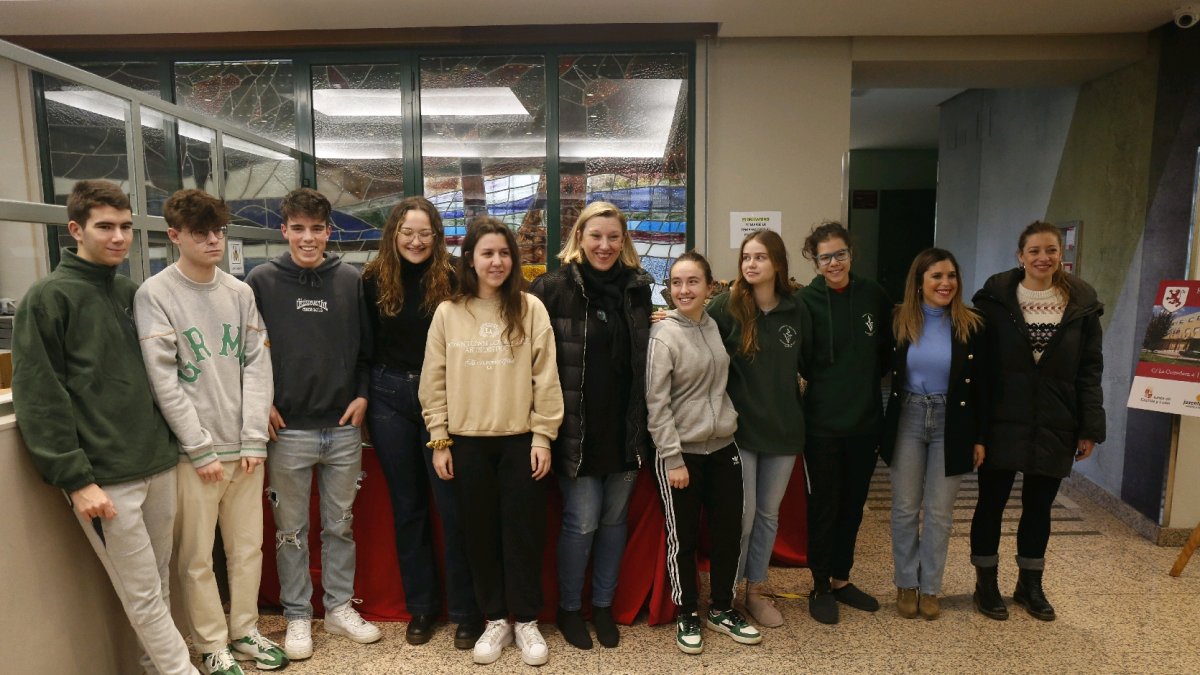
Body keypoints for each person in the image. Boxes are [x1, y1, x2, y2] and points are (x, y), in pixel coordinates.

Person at [12, 180, 199, 675]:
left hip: (156, 462)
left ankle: (156, 667)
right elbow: (40, 396)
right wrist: (76, 479)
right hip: (105, 478)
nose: (118, 237)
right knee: (141, 593)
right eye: (105, 227)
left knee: (158, 585)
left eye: (125, 227)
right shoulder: (48, 298)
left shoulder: (130, 291)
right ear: (75, 229)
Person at [134, 189, 286, 674]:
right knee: (197, 556)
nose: (213, 240)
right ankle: (211, 643)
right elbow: (164, 380)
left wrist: (253, 439)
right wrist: (198, 448)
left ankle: (244, 631)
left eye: (219, 230)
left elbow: (258, 367)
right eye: (201, 233)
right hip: (193, 455)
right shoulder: (155, 294)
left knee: (248, 548)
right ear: (175, 235)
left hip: (244, 450)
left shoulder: (239, 292)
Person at [419, 217, 564, 667]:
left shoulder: (530, 309)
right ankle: (495, 619)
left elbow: (547, 378)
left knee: (523, 534)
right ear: (471, 259)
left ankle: (525, 620)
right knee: (478, 534)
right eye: (487, 253)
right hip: (467, 442)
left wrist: (543, 435)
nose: (496, 261)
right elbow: (433, 379)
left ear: (513, 259)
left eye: (504, 253)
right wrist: (439, 437)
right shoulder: (449, 312)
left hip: (521, 441)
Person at [245, 188, 381, 659]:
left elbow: (367, 350)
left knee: (340, 525)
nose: (308, 238)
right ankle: (298, 614)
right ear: (284, 231)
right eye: (298, 228)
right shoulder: (260, 281)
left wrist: (363, 395)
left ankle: (340, 607)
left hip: (342, 427)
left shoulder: (349, 280)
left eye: (316, 229)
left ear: (329, 231)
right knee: (290, 531)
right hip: (288, 431)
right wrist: (261, 402)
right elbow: (248, 354)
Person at [528, 201, 653, 650]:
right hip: (575, 431)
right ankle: (567, 609)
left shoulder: (638, 289)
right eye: (596, 236)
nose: (605, 245)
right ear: (579, 236)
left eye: (613, 237)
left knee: (614, 521)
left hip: (626, 428)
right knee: (581, 523)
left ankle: (602, 606)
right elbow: (533, 361)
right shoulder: (552, 288)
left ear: (624, 242)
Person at [362, 196, 483, 649]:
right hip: (389, 397)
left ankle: (467, 611)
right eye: (407, 232)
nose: (416, 241)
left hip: (445, 398)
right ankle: (422, 608)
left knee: (452, 510)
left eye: (424, 233)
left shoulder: (454, 277)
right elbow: (366, 346)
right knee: (408, 509)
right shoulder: (373, 279)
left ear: (438, 236)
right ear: (394, 234)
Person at [969, 221, 1104, 622]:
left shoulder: (1082, 303)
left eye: (1050, 250)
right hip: (1001, 418)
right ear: (1020, 256)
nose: (1043, 258)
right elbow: (980, 370)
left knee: (1039, 507)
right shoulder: (995, 300)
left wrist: (1090, 427)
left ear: (1061, 254)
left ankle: (1029, 584)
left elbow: (1089, 370)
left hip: (1056, 419)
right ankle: (986, 582)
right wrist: (976, 429)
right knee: (990, 502)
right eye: (1034, 251)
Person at [647, 251, 763, 655]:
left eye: (692, 281)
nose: (683, 290)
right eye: (676, 283)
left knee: (731, 529)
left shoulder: (715, 326)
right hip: (683, 454)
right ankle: (687, 612)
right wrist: (674, 458)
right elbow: (656, 404)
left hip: (723, 446)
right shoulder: (663, 335)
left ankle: (722, 608)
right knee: (685, 536)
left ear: (710, 287)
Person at [706, 230, 811, 628]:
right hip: (740, 431)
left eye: (760, 257)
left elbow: (812, 363)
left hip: (784, 431)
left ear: (778, 265)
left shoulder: (797, 310)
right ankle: (728, 593)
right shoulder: (725, 306)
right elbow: (691, 329)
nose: (751, 264)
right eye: (746, 257)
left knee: (768, 515)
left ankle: (756, 590)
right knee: (744, 515)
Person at [878, 248, 987, 621]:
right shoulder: (899, 321)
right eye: (936, 276)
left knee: (939, 512)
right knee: (905, 508)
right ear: (919, 282)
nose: (945, 284)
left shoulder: (971, 325)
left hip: (952, 422)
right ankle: (907, 582)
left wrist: (980, 437)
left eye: (951, 276)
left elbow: (984, 388)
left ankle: (931, 588)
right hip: (908, 415)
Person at [798, 221, 893, 625]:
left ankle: (841, 578)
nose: (834, 262)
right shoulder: (806, 302)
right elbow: (800, 360)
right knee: (825, 507)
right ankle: (819, 585)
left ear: (851, 253)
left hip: (865, 422)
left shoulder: (873, 294)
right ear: (815, 262)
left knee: (853, 507)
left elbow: (885, 354)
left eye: (840, 254)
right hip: (821, 425)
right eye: (825, 257)